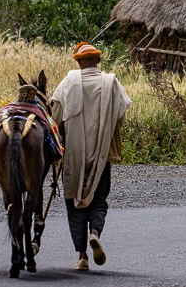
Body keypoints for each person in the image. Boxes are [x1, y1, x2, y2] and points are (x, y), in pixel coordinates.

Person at [50, 42, 131, 271]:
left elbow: (56, 119)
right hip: (102, 154)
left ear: (78, 62)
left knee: (74, 201)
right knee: (99, 198)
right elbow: (120, 115)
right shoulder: (111, 82)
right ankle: (94, 232)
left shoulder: (68, 82)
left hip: (74, 154)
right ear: (97, 61)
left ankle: (82, 256)